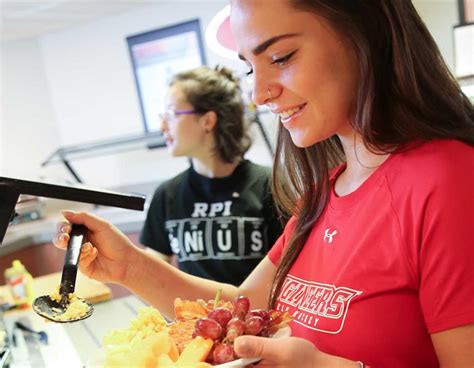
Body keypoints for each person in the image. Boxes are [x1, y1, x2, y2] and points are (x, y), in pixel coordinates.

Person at [53, 1, 474, 367]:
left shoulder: (448, 179)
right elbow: (242, 307)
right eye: (250, 67)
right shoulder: (324, 192)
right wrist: (129, 266)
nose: (258, 93)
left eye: (282, 56)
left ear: (366, 33)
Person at [140, 65, 284, 285]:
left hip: (257, 317)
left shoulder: (270, 185)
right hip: (192, 318)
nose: (162, 126)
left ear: (207, 121)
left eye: (171, 114)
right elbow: (151, 273)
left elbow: (290, 270)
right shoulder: (167, 194)